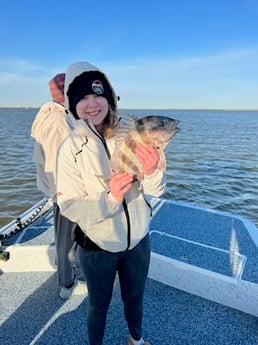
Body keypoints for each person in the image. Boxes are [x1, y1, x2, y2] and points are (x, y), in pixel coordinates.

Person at [56, 61, 167, 345]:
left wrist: (153, 170)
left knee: (135, 299)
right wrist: (110, 200)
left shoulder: (132, 135)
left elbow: (155, 189)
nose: (92, 104)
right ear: (72, 104)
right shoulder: (69, 148)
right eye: (83, 98)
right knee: (98, 306)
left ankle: (136, 340)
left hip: (139, 240)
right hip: (97, 248)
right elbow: (69, 204)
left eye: (98, 95)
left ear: (109, 97)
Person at [31, 73, 84, 299]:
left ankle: (66, 271)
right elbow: (54, 164)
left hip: (64, 190)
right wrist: (64, 194)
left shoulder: (57, 115)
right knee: (67, 240)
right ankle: (67, 283)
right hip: (67, 192)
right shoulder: (58, 122)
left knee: (66, 237)